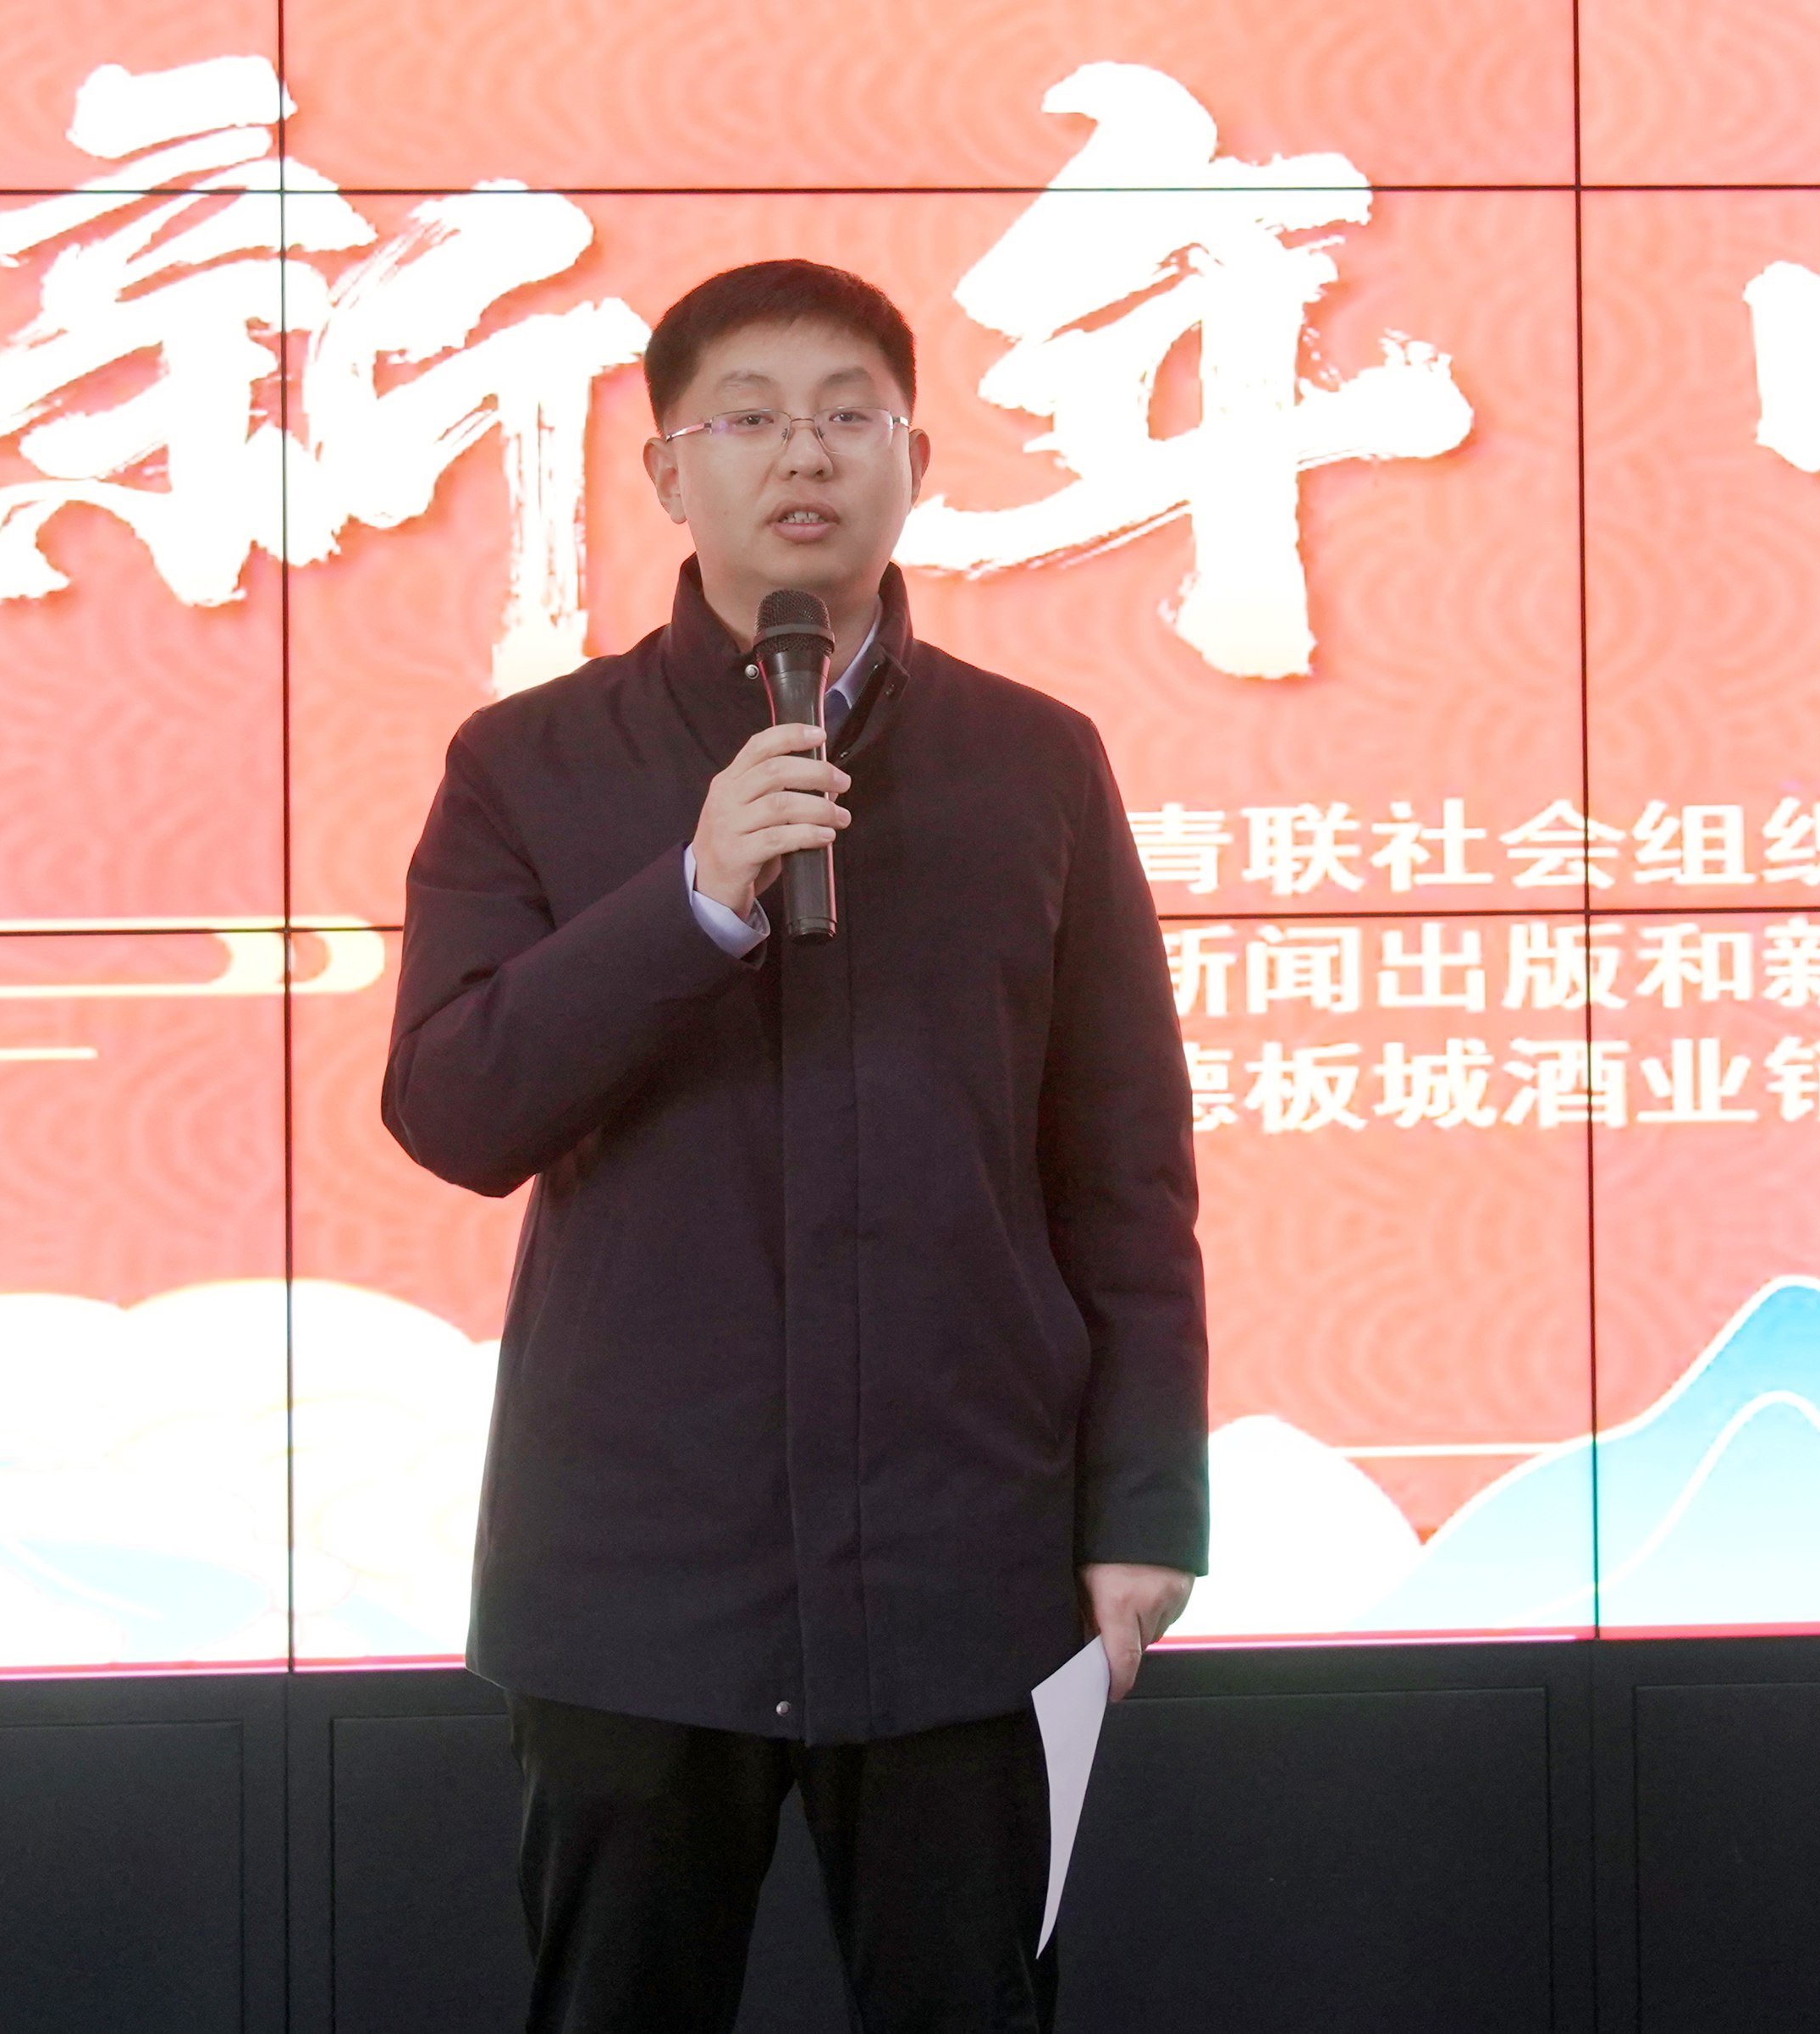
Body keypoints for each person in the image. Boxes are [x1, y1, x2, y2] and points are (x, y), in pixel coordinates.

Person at [383, 258, 1208, 2033]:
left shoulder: (1035, 763)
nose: (803, 454)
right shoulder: (528, 762)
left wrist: (1144, 1505)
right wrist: (690, 897)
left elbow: (1125, 1170)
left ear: (917, 461)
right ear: (666, 473)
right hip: (634, 1568)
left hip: (966, 1560)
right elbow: (454, 1108)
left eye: (848, 415)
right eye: (746, 417)